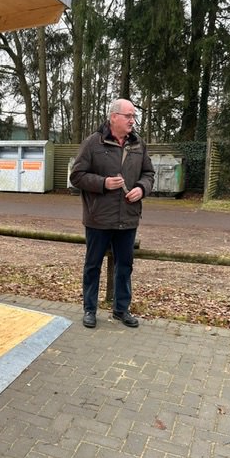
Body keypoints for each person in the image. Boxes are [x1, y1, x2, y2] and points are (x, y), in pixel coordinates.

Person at [69, 98, 154, 329]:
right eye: (128, 116)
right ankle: (89, 309)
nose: (132, 120)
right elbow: (76, 176)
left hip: (128, 217)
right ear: (114, 117)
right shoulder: (93, 143)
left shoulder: (138, 144)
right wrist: (103, 183)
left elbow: (149, 174)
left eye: (134, 116)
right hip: (98, 218)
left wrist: (142, 189)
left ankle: (121, 309)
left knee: (125, 266)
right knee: (93, 265)